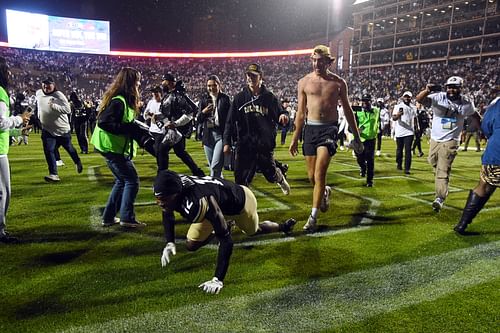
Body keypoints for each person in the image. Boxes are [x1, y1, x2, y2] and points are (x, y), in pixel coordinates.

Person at [153, 170, 296, 294]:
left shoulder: (200, 201)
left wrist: (218, 279)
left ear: (176, 194)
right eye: (158, 199)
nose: (160, 203)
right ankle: (224, 225)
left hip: (241, 203)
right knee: (191, 244)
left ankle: (283, 227)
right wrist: (170, 241)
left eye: (164, 199)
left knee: (253, 231)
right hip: (218, 204)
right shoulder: (174, 186)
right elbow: (167, 210)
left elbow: (226, 241)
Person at [289, 45, 363, 232]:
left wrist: (357, 136)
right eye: (314, 60)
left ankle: (312, 218)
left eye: (320, 60)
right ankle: (325, 192)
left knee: (319, 174)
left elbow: (347, 110)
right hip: (310, 130)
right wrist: (294, 137)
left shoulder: (338, 83)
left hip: (329, 130)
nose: (316, 64)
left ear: (328, 62)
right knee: (311, 176)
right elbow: (300, 113)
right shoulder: (304, 82)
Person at [90, 67, 146, 228]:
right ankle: (127, 217)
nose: (139, 83)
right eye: (137, 80)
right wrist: (128, 128)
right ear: (131, 82)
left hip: (111, 148)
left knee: (122, 180)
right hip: (112, 148)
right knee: (132, 181)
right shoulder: (119, 101)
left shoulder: (120, 99)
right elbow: (104, 122)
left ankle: (108, 217)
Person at [223, 63, 290, 194]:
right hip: (245, 144)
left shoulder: (269, 98)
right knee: (240, 178)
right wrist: (226, 142)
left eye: (253, 76)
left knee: (270, 175)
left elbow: (282, 114)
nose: (250, 78)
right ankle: (243, 205)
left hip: (264, 145)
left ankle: (280, 178)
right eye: (248, 75)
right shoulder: (239, 98)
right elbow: (230, 122)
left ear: (261, 77)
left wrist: (284, 116)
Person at [416, 76, 475, 212]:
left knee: (442, 168)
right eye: (449, 87)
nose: (452, 90)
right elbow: (419, 99)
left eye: (455, 87)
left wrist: (485, 128)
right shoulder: (438, 96)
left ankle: (440, 198)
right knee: (432, 161)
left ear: (461, 88)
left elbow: (474, 115)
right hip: (435, 138)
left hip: (451, 139)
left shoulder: (466, 102)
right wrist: (427, 90)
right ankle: (443, 178)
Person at [454, 96, 499, 234]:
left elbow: (486, 127)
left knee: (483, 186)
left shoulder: (497, 103)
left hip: (494, 153)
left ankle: (462, 225)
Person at [0, 56, 31, 243]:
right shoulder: (1, 93)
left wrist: (18, 130)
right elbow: (1, 123)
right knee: (3, 192)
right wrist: (19, 118)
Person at [155, 73, 205, 176]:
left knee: (162, 150)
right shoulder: (169, 95)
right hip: (173, 129)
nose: (162, 83)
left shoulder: (178, 95)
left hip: (176, 130)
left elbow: (190, 112)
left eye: (163, 81)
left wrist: (175, 124)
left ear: (169, 82)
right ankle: (197, 172)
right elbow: (164, 113)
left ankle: (162, 174)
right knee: (180, 152)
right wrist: (161, 119)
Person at [36, 76, 83, 182]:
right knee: (49, 150)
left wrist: (54, 107)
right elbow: (39, 106)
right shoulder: (38, 93)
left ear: (54, 85)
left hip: (62, 129)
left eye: (48, 84)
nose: (46, 86)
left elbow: (68, 110)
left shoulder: (59, 95)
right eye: (44, 83)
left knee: (69, 148)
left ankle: (77, 161)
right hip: (47, 129)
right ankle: (53, 174)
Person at [198, 75, 230, 178]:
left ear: (219, 85)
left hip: (221, 134)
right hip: (208, 135)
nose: (211, 88)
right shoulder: (203, 99)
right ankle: (222, 189)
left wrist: (228, 140)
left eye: (214, 85)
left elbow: (230, 120)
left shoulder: (225, 99)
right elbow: (198, 119)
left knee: (215, 167)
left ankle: (213, 190)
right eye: (209, 86)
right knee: (214, 166)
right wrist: (204, 112)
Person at [354, 94, 380, 187]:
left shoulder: (376, 111)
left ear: (370, 101)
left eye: (367, 101)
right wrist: (356, 130)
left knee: (370, 160)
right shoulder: (357, 112)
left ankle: (370, 180)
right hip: (360, 139)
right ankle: (363, 167)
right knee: (359, 158)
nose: (365, 103)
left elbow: (377, 120)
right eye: (363, 101)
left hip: (371, 139)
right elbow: (351, 127)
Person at [392, 91, 418, 175]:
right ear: (403, 97)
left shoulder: (414, 107)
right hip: (399, 131)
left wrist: (417, 127)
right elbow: (394, 118)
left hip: (409, 132)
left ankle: (407, 168)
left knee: (408, 150)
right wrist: (399, 115)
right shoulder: (398, 106)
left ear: (411, 98)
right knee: (399, 150)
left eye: (408, 97)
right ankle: (399, 163)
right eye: (405, 97)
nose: (407, 98)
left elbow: (415, 118)